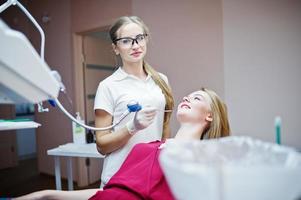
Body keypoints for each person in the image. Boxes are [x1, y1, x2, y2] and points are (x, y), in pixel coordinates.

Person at [13, 88, 230, 200]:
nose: (187, 98)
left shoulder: (203, 161)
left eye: (197, 98)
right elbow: (109, 193)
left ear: (209, 116)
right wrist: (46, 194)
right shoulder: (148, 147)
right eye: (188, 95)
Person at [94, 16, 174, 187]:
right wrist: (132, 127)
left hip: (150, 175)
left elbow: (164, 128)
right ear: (116, 48)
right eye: (126, 41)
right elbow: (101, 145)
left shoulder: (162, 80)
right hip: (118, 177)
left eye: (139, 38)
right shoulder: (108, 86)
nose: (136, 45)